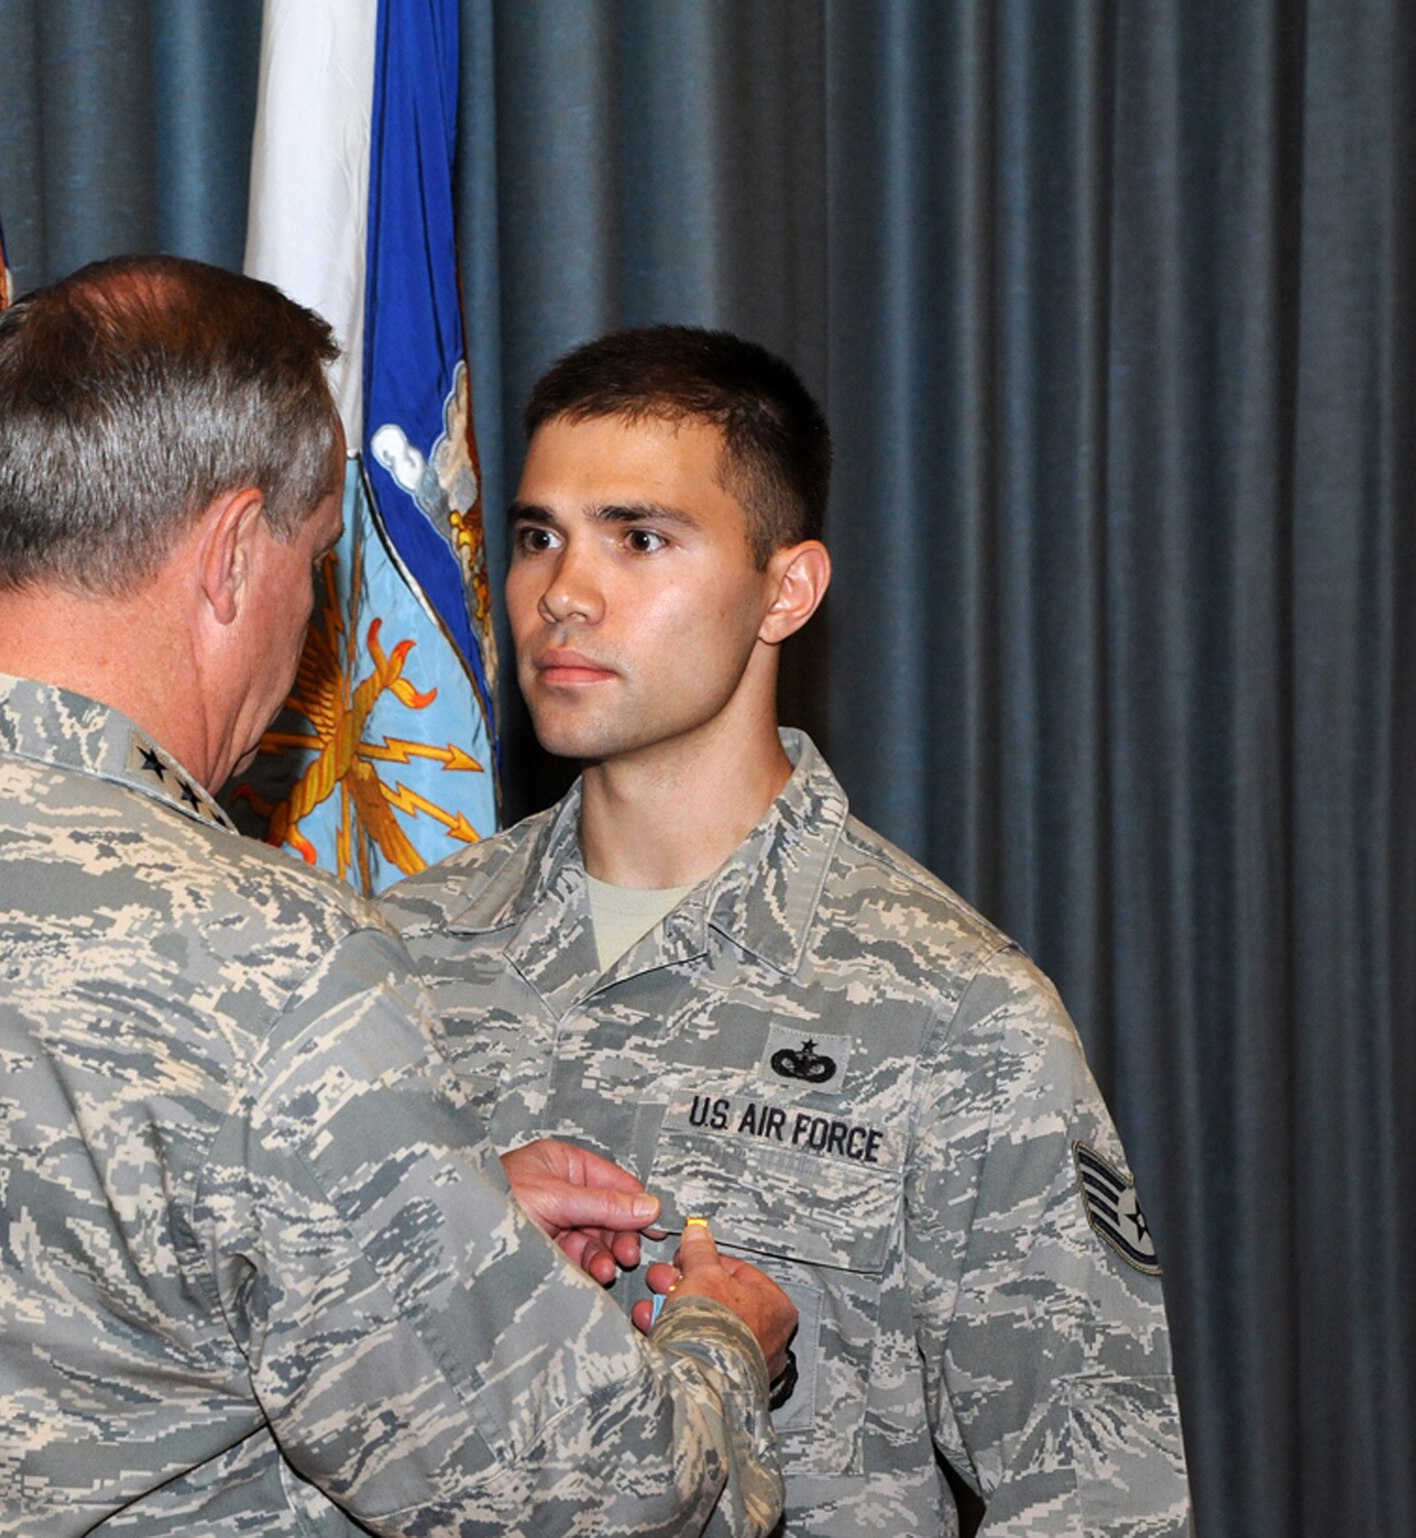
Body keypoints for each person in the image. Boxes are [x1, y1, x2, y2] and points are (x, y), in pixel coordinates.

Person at [0, 258, 796, 1537]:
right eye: (313, 565)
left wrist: (415, 1226)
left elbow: (30, 1303)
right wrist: (718, 1339)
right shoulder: (272, 963)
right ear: (237, 551)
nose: (311, 614)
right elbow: (596, 1503)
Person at [377, 326, 1195, 1537]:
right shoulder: (396, 951)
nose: (562, 591)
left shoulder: (950, 1012)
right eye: (538, 534)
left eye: (637, 536)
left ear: (785, 588)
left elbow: (1098, 1501)